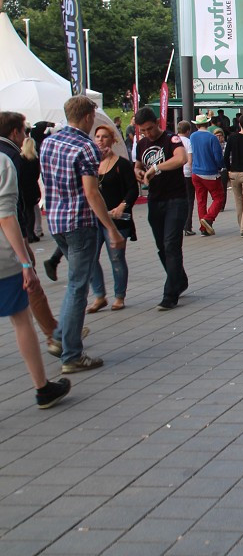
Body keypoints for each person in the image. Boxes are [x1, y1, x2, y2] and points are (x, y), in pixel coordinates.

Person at [40, 96, 125, 369]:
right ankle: (71, 353)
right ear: (89, 116)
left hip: (55, 223)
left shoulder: (49, 142)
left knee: (75, 283)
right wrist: (111, 229)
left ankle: (61, 337)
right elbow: (92, 192)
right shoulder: (86, 146)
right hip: (80, 223)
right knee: (77, 287)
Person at [0, 145, 71, 409]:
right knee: (21, 320)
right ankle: (42, 388)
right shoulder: (3, 162)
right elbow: (6, 216)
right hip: (3, 259)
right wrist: (25, 262)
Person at [133, 106, 190, 310]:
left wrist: (156, 168)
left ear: (157, 122)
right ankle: (179, 279)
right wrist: (139, 171)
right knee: (161, 246)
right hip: (155, 200)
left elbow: (181, 158)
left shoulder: (170, 139)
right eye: (143, 130)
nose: (147, 133)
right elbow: (138, 164)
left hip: (175, 198)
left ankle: (170, 293)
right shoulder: (141, 144)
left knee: (171, 244)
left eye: (149, 128)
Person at [86, 125, 137, 313]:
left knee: (116, 257)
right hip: (93, 219)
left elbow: (132, 189)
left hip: (117, 218)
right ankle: (99, 295)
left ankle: (119, 296)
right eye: (97, 137)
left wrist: (123, 205)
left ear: (112, 139)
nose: (100, 140)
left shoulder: (121, 164)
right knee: (90, 258)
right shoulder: (90, 163)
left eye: (105, 137)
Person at [189, 115, 225, 236]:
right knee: (219, 198)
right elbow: (218, 157)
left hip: (196, 171)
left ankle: (203, 227)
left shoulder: (193, 136)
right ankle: (209, 219)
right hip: (210, 172)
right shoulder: (212, 138)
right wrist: (220, 167)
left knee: (201, 201)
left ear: (196, 125)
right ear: (208, 124)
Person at [177, 121, 196, 236]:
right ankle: (187, 226)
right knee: (189, 200)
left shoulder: (173, 140)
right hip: (187, 174)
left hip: (175, 174)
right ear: (188, 131)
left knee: (177, 200)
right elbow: (190, 160)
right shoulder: (188, 142)